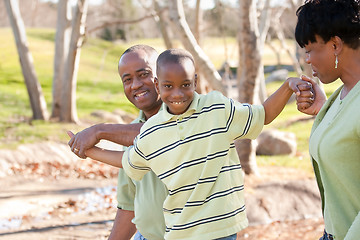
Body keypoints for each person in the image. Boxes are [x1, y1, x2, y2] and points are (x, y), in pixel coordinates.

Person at [78, 48, 314, 240]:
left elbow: (261, 115)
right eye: (127, 79)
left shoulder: (213, 110)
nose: (177, 93)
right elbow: (127, 185)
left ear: (195, 81)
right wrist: (90, 151)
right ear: (160, 83)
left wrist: (286, 87)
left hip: (213, 232)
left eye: (143, 74)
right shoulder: (148, 132)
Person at [69, 44, 168, 240]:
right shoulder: (128, 133)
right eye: (127, 79)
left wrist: (99, 131)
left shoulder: (186, 118)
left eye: (143, 74)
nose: (135, 85)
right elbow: (128, 205)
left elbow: (159, 133)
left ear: (162, 75)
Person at [293, 0, 360, 239]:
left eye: (310, 49)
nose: (308, 59)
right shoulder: (342, 95)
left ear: (335, 45)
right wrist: (324, 111)